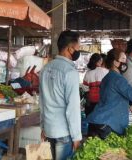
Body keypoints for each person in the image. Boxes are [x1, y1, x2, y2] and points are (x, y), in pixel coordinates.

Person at [39, 30, 81, 160]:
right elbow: (73, 108)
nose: (79, 51)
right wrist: (76, 136)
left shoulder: (45, 69)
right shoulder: (70, 72)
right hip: (64, 131)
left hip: (49, 129)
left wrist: (43, 126)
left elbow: (42, 101)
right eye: (78, 48)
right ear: (70, 49)